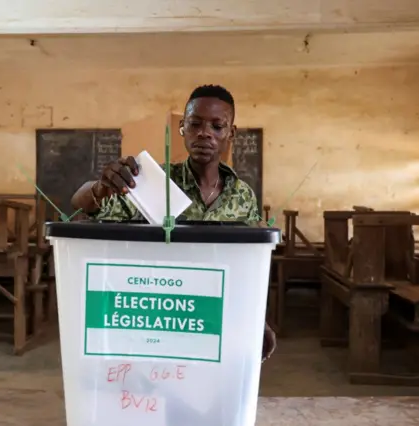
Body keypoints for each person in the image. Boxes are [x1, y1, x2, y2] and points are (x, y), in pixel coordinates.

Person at [71, 84, 276, 360]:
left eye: (217, 126)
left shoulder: (243, 196)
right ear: (183, 128)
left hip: (217, 319)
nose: (205, 133)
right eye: (195, 124)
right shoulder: (153, 182)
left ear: (231, 133)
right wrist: (101, 186)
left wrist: (257, 319)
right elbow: (82, 205)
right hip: (163, 316)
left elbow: (248, 265)